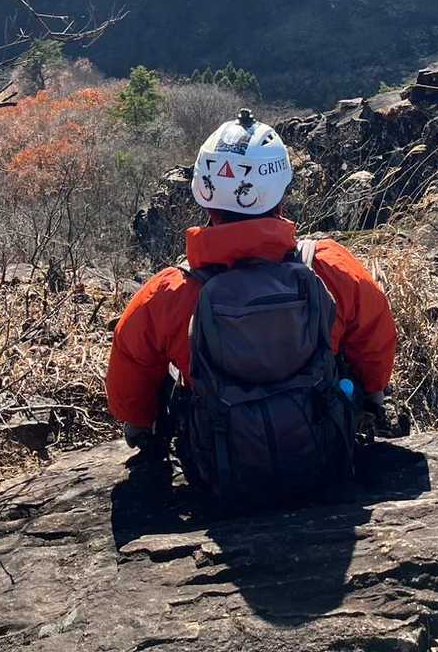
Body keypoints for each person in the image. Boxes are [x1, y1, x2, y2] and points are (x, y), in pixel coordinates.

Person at [106, 109, 397, 500]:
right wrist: (373, 395)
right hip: (324, 452)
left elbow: (130, 368)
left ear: (204, 195)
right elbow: (376, 336)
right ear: (280, 194)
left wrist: (141, 426)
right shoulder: (328, 267)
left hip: (220, 469)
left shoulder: (170, 292)